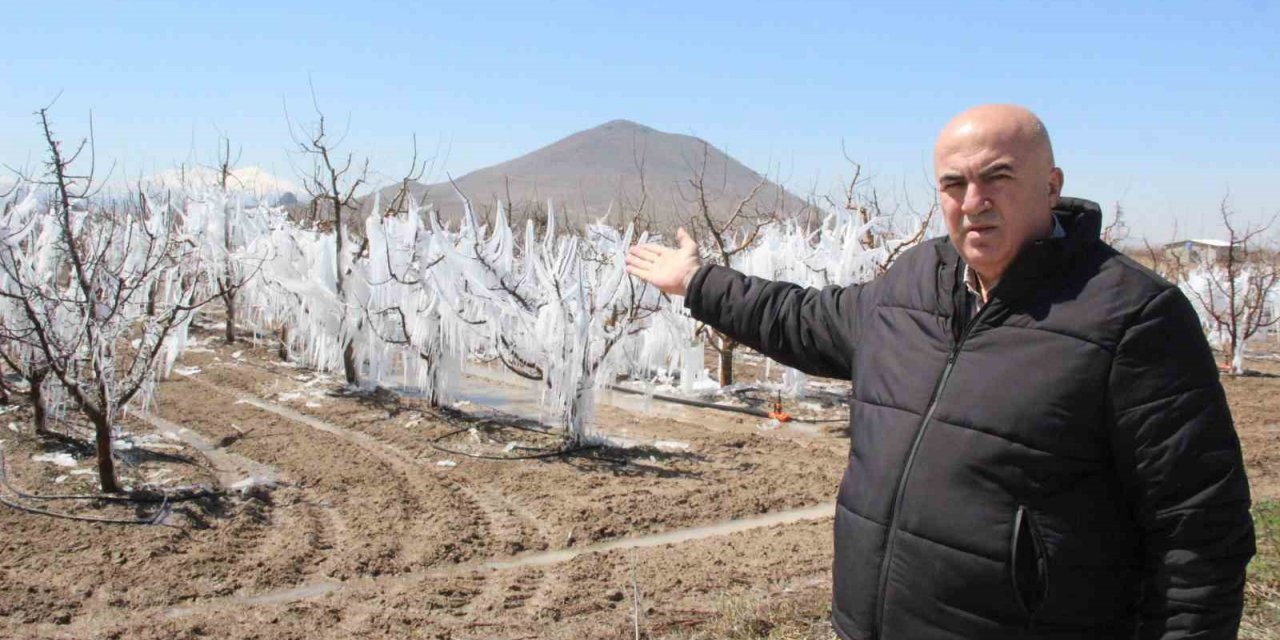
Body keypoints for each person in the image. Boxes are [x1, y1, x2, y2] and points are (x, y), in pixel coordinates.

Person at [625, 104, 1255, 640]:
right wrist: (697, 283)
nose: (973, 203)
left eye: (997, 177)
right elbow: (800, 318)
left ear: (1051, 184)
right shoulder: (913, 285)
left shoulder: (1131, 318)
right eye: (953, 184)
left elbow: (1199, 534)